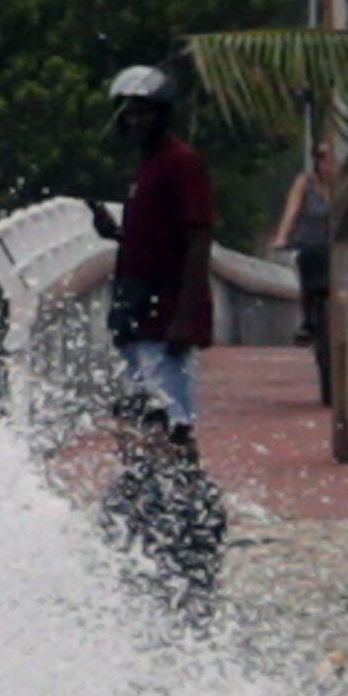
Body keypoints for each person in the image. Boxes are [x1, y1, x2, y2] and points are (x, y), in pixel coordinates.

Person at [87, 66, 215, 446]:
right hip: (136, 300)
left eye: (145, 112)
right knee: (137, 407)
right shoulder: (146, 164)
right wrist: (117, 235)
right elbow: (156, 235)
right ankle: (143, 489)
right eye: (130, 112)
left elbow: (198, 238)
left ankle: (184, 488)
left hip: (165, 306)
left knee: (170, 413)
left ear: (163, 113)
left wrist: (185, 317)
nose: (137, 120)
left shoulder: (182, 161)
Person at [97, 391, 224, 625]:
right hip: (151, 596)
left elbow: (203, 548)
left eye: (127, 436)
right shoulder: (129, 485)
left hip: (180, 594)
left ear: (157, 432)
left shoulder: (186, 485)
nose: (120, 447)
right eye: (119, 437)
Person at [267, 140, 348, 411]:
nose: (329, 164)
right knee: (308, 276)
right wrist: (282, 236)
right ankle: (308, 322)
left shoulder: (346, 185)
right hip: (312, 248)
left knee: (346, 293)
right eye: (323, 158)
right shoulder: (305, 183)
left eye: (333, 158)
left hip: (339, 252)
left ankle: (347, 346)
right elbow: (291, 212)